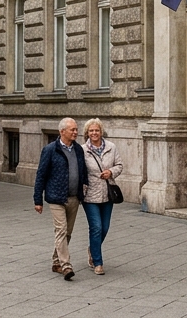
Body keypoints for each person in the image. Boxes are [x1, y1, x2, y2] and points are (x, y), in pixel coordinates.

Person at [33, 117, 88, 280]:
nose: (76, 132)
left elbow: (82, 171)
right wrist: (38, 199)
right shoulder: (50, 149)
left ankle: (56, 261)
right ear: (62, 131)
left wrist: (83, 191)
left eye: (76, 129)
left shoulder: (78, 149)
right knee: (61, 230)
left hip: (74, 197)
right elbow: (41, 175)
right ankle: (66, 265)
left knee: (67, 232)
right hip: (56, 197)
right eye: (72, 130)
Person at [80, 118, 123, 275]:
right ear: (87, 133)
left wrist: (111, 172)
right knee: (96, 227)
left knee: (104, 227)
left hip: (107, 194)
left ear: (101, 131)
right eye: (91, 131)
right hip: (89, 195)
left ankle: (92, 249)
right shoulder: (83, 150)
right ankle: (98, 262)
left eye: (96, 130)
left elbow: (120, 165)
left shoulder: (111, 147)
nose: (94, 133)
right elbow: (79, 170)